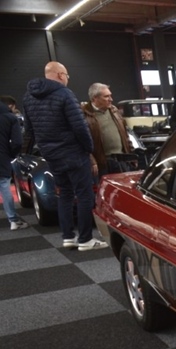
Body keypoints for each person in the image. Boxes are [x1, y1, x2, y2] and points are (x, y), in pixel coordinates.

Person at [22, 62, 108, 250]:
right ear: (61, 75)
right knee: (85, 195)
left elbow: (29, 130)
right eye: (67, 75)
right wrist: (89, 149)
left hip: (51, 154)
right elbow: (80, 126)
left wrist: (32, 150)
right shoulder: (65, 94)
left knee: (65, 194)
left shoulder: (28, 97)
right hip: (73, 153)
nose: (68, 79)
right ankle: (85, 239)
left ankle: (68, 237)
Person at [82, 83, 133, 180]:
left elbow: (125, 135)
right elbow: (81, 142)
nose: (111, 99)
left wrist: (131, 156)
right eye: (106, 96)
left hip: (121, 161)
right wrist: (92, 161)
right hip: (101, 164)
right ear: (94, 98)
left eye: (110, 95)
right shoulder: (84, 114)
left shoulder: (114, 111)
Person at [1, 95, 28, 230]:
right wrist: (11, 155)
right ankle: (13, 220)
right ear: (10, 105)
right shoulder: (11, 118)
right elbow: (17, 142)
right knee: (4, 187)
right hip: (2, 157)